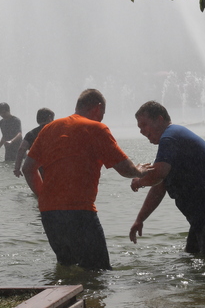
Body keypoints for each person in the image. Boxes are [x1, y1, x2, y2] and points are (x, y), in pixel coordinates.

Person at [22, 89, 147, 270]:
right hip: (79, 212)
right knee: (99, 271)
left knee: (67, 268)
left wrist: (44, 196)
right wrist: (141, 171)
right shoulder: (96, 128)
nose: (102, 119)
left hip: (49, 214)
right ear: (97, 108)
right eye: (102, 115)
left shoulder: (50, 128)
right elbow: (126, 169)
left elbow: (28, 169)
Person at [129, 101, 205, 260]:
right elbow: (159, 187)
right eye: (139, 127)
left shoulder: (170, 137)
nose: (141, 131)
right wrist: (140, 219)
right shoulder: (172, 139)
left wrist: (138, 181)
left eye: (144, 125)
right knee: (192, 261)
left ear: (160, 119)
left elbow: (157, 175)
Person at [13, 107, 54, 177]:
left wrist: (17, 168)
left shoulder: (31, 134)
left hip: (39, 169)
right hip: (56, 166)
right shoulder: (56, 131)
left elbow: (21, 149)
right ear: (49, 118)